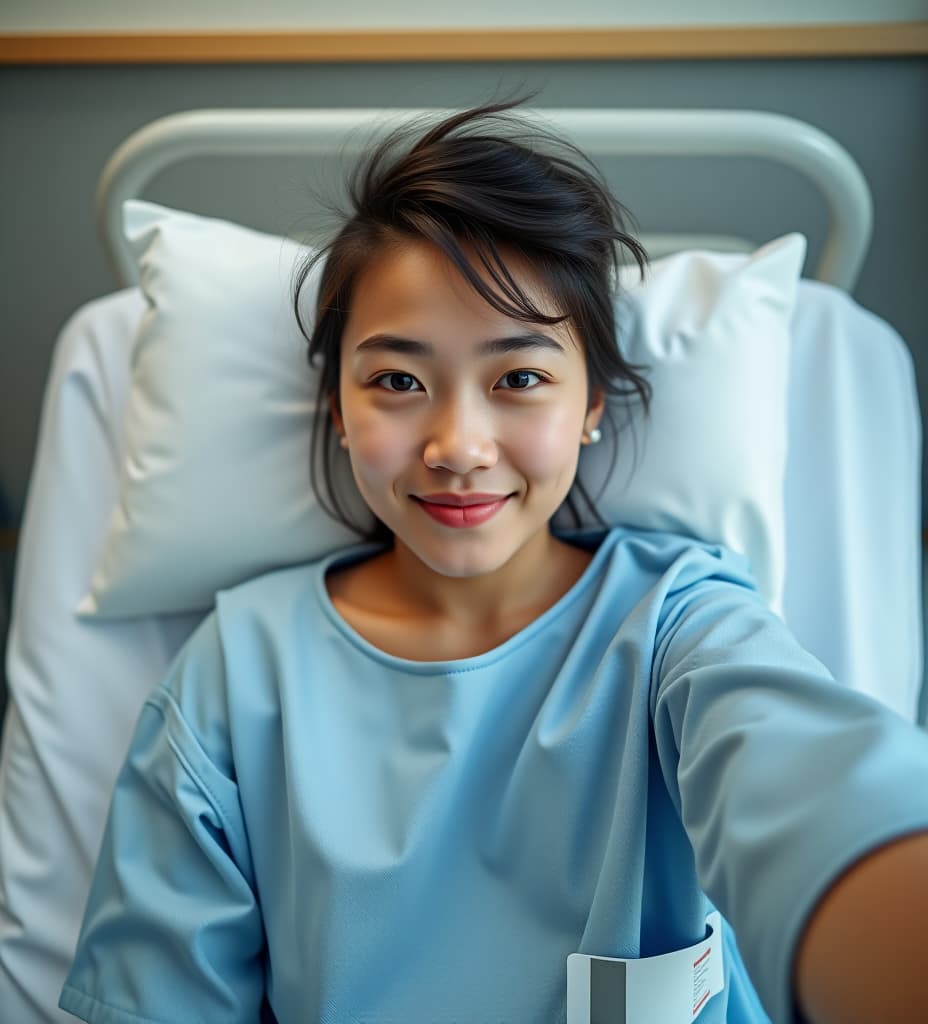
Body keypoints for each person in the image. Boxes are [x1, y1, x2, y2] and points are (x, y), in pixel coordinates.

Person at [60, 100, 928, 1024]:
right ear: (339, 407)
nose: (458, 446)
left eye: (519, 378)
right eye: (398, 381)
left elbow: (818, 791)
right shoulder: (238, 678)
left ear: (593, 401)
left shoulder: (682, 627)